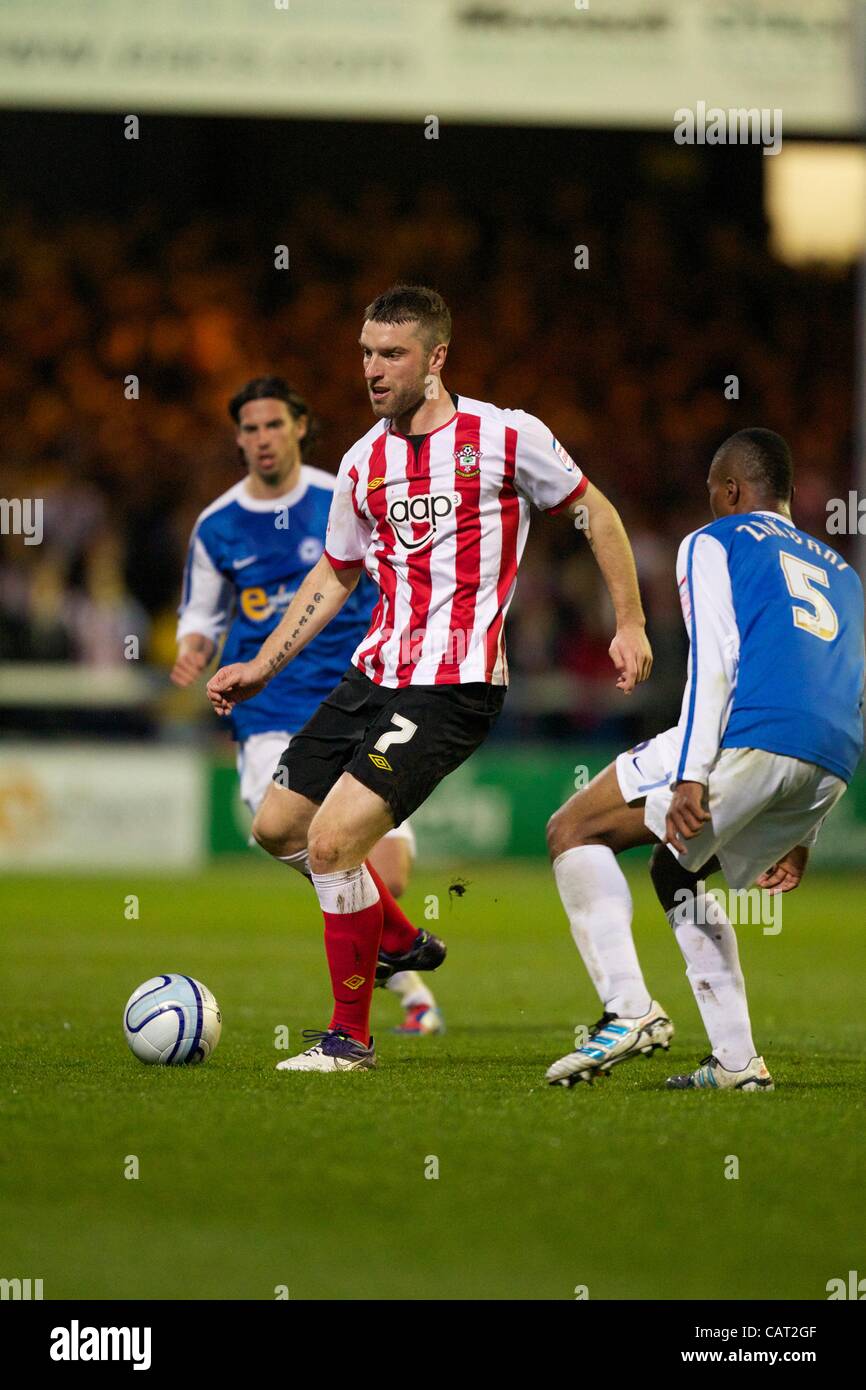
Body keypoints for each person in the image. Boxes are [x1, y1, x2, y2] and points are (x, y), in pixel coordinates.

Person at [206, 284, 652, 1075]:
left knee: (333, 843)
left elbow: (598, 515)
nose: (373, 370)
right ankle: (397, 934)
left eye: (392, 354)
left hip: (454, 684)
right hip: (373, 673)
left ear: (436, 357)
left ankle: (349, 1040)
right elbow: (336, 574)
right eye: (366, 353)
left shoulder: (506, 436)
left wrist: (631, 622)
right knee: (276, 828)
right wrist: (262, 666)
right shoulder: (361, 462)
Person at [544, 428, 865, 1092]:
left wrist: (692, 773)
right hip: (833, 758)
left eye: (713, 493)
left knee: (573, 828)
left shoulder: (713, 541)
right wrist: (803, 826)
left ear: (731, 489)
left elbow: (714, 662)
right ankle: (737, 1064)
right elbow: (846, 686)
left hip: (751, 733)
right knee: (677, 869)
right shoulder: (843, 571)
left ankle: (628, 1011)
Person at [173, 375, 444, 1035]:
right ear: (239, 440)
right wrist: (193, 647)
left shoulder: (344, 493)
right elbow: (201, 615)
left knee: (387, 875)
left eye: (274, 424)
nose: (263, 438)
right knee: (301, 838)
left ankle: (399, 957)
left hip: (358, 696)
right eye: (250, 429)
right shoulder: (217, 524)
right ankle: (400, 971)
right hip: (269, 712)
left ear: (299, 426)